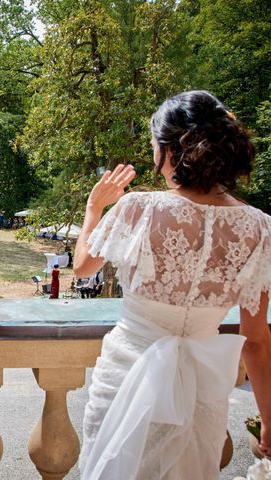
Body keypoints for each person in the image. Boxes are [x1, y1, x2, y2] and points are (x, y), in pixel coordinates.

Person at [74, 90, 271, 480]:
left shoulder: (140, 209)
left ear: (169, 150)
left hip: (127, 375)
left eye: (153, 147)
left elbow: (82, 267)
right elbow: (257, 339)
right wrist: (269, 417)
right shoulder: (259, 228)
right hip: (202, 389)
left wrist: (93, 209)